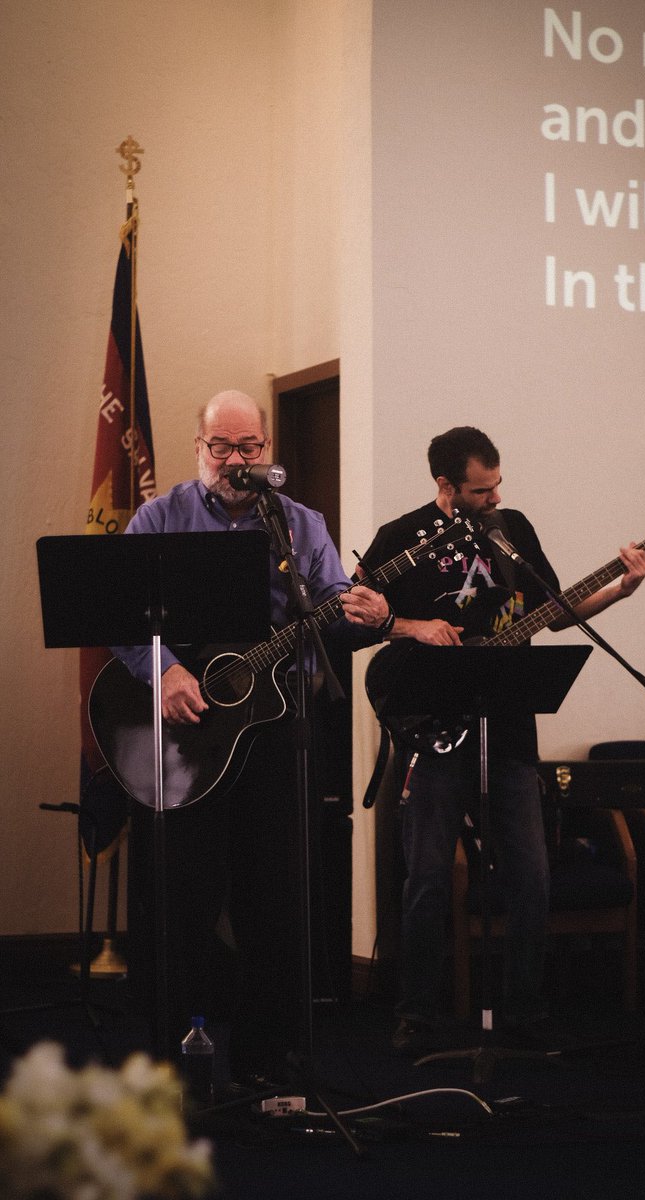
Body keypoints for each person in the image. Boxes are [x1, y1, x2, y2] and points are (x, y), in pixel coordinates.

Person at [112, 389, 392, 1088]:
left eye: (249, 448)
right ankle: (174, 1069)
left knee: (277, 902)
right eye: (222, 448)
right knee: (185, 902)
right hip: (188, 734)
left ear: (267, 450)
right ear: (198, 448)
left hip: (276, 734)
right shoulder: (160, 516)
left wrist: (374, 614)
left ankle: (271, 1071)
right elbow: (116, 613)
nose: (236, 460)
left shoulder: (300, 522)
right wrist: (167, 669)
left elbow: (332, 617)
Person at [358, 426, 645, 1052]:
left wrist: (623, 587)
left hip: (509, 726)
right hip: (433, 730)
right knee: (429, 877)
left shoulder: (511, 528)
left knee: (531, 874)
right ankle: (417, 1013)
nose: (493, 498)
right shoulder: (400, 539)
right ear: (445, 486)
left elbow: (558, 608)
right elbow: (356, 615)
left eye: (497, 486)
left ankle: (525, 1008)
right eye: (480, 490)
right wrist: (411, 625)